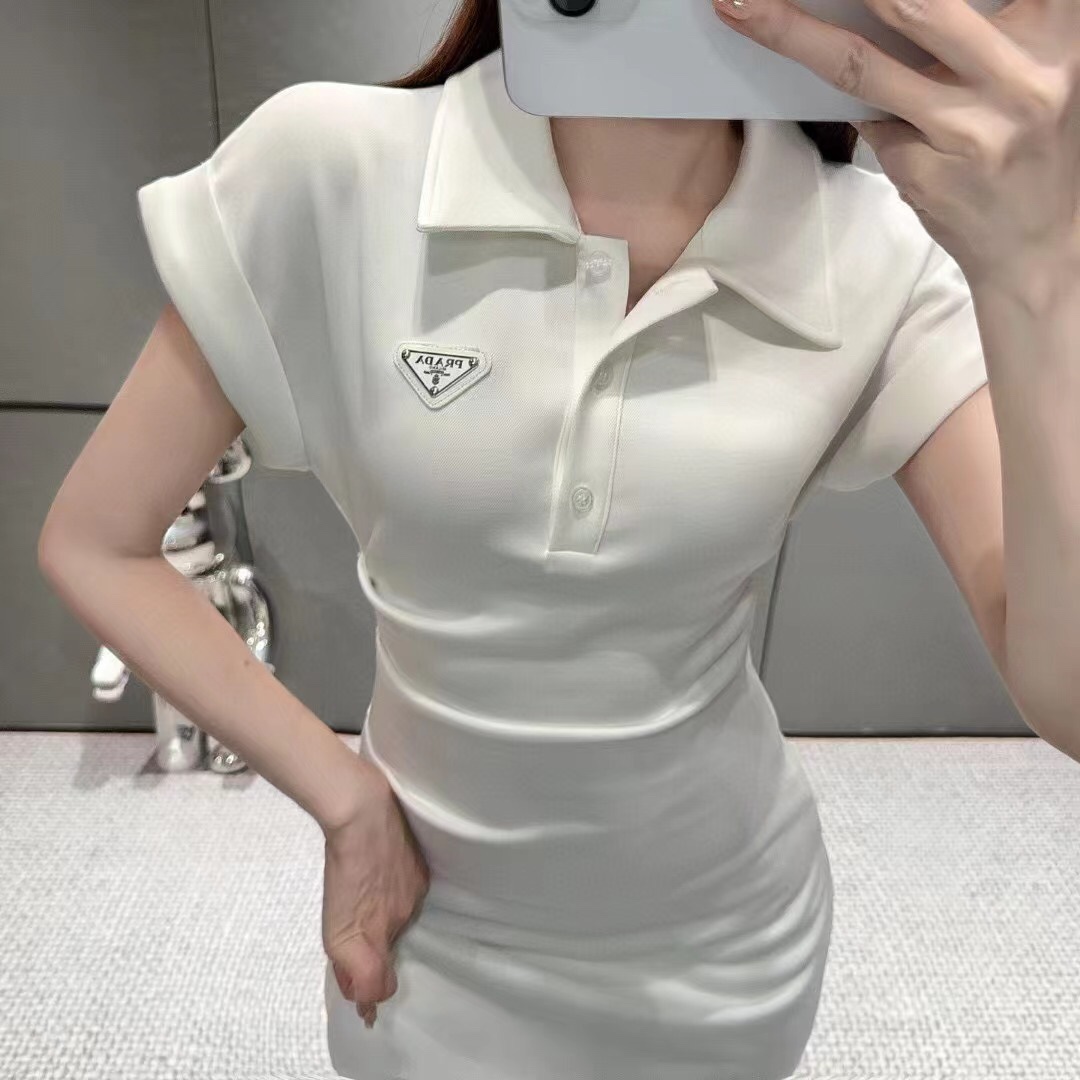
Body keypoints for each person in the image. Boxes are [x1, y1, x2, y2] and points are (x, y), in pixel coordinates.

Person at [39, 4, 994, 1079]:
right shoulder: (333, 169)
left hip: (725, 949)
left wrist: (1044, 259)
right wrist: (346, 801)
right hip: (430, 934)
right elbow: (98, 542)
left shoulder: (879, 246)